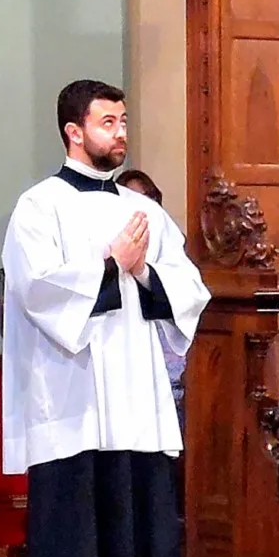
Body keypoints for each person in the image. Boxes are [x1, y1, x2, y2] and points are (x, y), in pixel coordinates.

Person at [1, 79, 210, 557]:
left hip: (135, 396)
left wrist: (144, 272)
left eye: (123, 121)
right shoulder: (38, 206)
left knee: (134, 523)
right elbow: (36, 291)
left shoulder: (141, 210)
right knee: (74, 528)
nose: (120, 133)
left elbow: (187, 289)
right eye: (108, 122)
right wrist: (111, 263)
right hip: (70, 398)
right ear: (74, 131)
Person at [116, 168, 186, 431]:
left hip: (174, 379)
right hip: (128, 384)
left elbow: (187, 304)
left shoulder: (174, 250)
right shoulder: (107, 251)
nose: (142, 210)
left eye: (149, 199)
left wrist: (144, 272)